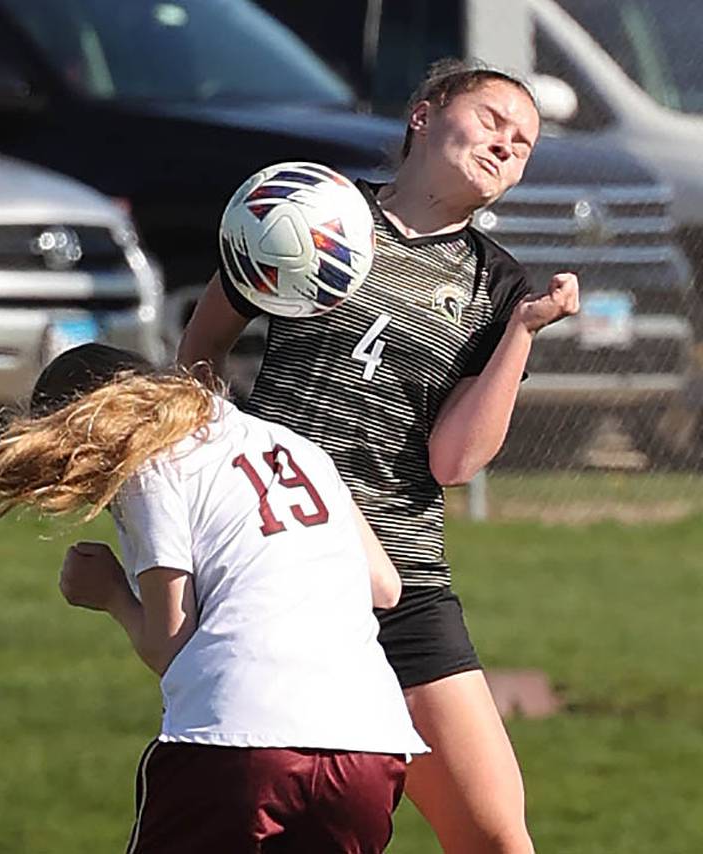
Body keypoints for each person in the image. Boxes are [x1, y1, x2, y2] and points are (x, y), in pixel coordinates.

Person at [177, 58, 580, 854]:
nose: (508, 145)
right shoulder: (312, 210)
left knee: (498, 838)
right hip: (280, 566)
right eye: (494, 119)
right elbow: (200, 353)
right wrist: (219, 469)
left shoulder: (498, 286)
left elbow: (456, 462)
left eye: (525, 143)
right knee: (269, 825)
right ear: (424, 115)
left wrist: (522, 333)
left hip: (403, 576)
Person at [0, 342, 427, 854]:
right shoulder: (292, 445)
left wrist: (111, 595)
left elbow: (171, 645)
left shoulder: (152, 461)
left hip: (240, 740)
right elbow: (385, 586)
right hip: (370, 741)